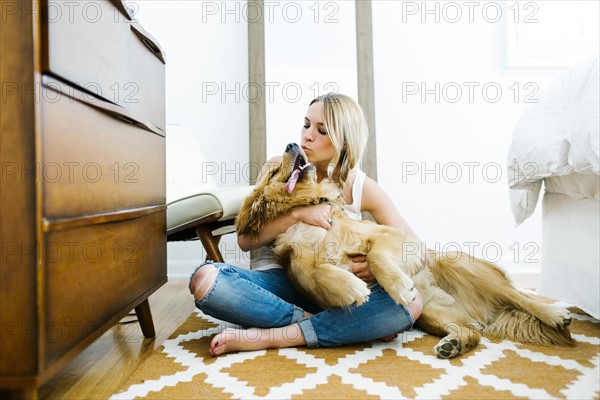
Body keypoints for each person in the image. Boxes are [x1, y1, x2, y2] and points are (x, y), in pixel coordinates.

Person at [189, 93, 425, 356]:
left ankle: (273, 337)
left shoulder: (361, 187)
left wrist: (374, 265)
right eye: (306, 125)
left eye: (321, 130)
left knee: (412, 304)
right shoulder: (279, 166)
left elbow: (416, 249)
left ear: (344, 141)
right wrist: (297, 214)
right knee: (205, 281)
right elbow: (245, 241)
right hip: (278, 285)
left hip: (340, 290)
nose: (307, 136)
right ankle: (337, 326)